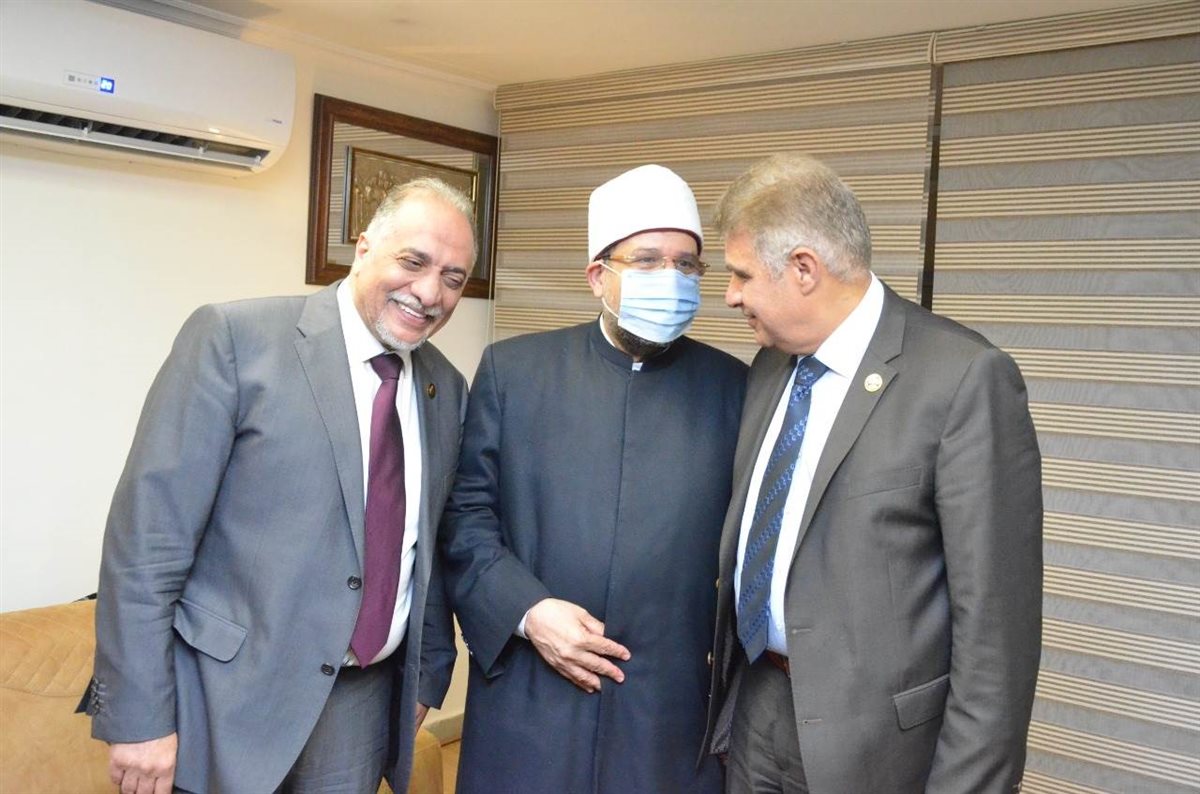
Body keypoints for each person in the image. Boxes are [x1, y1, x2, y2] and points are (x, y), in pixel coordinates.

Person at [81, 178, 475, 794]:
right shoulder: (235, 340)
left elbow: (428, 549)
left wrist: (426, 677)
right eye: (413, 261)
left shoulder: (444, 387)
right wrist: (139, 717)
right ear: (363, 247)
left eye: (453, 278)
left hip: (359, 707)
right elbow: (146, 545)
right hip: (223, 703)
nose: (429, 293)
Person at [704, 154, 1042, 794]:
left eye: (742, 275)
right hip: (757, 708)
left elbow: (998, 637)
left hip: (876, 748)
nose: (731, 295)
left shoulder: (962, 379)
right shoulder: (771, 367)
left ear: (804, 268)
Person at [440, 164, 747, 793]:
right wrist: (527, 611)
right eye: (648, 261)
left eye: (687, 265)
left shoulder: (735, 388)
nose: (671, 278)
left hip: (668, 708)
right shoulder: (514, 372)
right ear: (597, 276)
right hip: (532, 687)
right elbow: (465, 517)